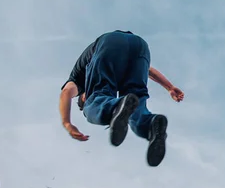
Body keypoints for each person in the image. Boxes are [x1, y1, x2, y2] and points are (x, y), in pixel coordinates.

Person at [58, 30, 184, 167]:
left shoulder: (78, 80)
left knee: (96, 101)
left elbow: (66, 92)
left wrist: (67, 123)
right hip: (139, 46)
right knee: (136, 101)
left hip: (108, 43)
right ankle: (151, 124)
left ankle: (114, 107)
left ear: (83, 96)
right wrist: (169, 87)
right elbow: (147, 70)